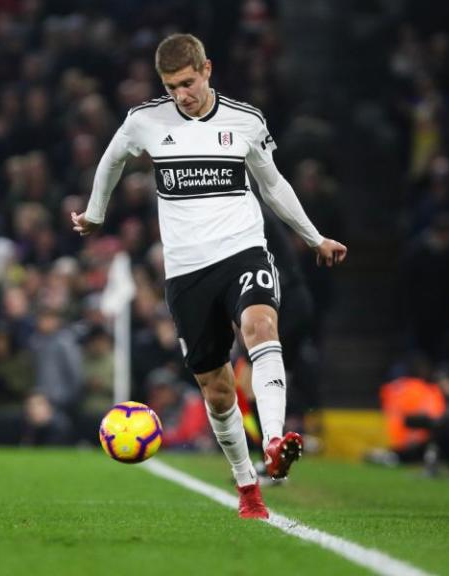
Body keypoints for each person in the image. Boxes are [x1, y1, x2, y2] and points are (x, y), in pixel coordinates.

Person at [71, 33, 347, 519]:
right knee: (216, 388)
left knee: (261, 328)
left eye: (188, 82)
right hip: (186, 272)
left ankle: (276, 441)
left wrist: (314, 238)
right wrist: (95, 213)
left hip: (243, 251)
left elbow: (273, 184)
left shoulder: (245, 120)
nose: (182, 94)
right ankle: (248, 488)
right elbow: (112, 159)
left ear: (207, 69)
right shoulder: (145, 122)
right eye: (172, 86)